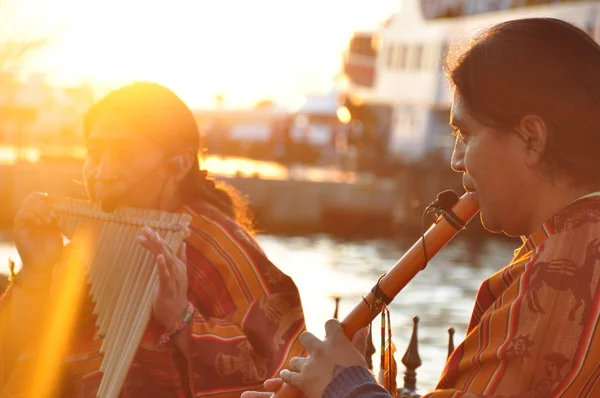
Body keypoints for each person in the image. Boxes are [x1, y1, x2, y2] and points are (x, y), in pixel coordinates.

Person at [243, 17, 600, 398]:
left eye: (466, 134)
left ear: (531, 139)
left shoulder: (562, 277)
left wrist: (345, 385)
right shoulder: (567, 248)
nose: (456, 160)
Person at [0, 82, 306, 397]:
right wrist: (36, 273)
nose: (102, 172)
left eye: (125, 153)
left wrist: (181, 319)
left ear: (179, 163)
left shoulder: (217, 245)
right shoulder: (79, 255)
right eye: (94, 152)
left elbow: (287, 372)